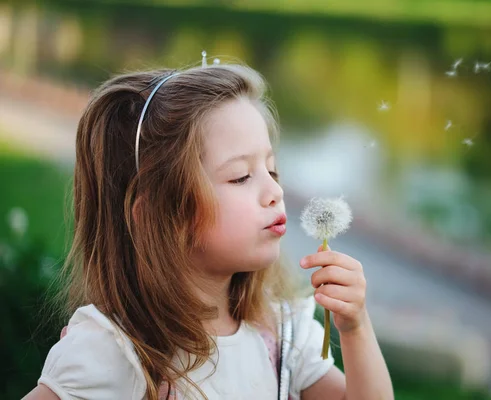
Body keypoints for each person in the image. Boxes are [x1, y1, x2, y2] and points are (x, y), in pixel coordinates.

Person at [23, 60, 393, 400]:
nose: (274, 192)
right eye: (241, 176)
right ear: (158, 214)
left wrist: (355, 328)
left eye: (272, 170)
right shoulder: (114, 351)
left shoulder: (283, 333)